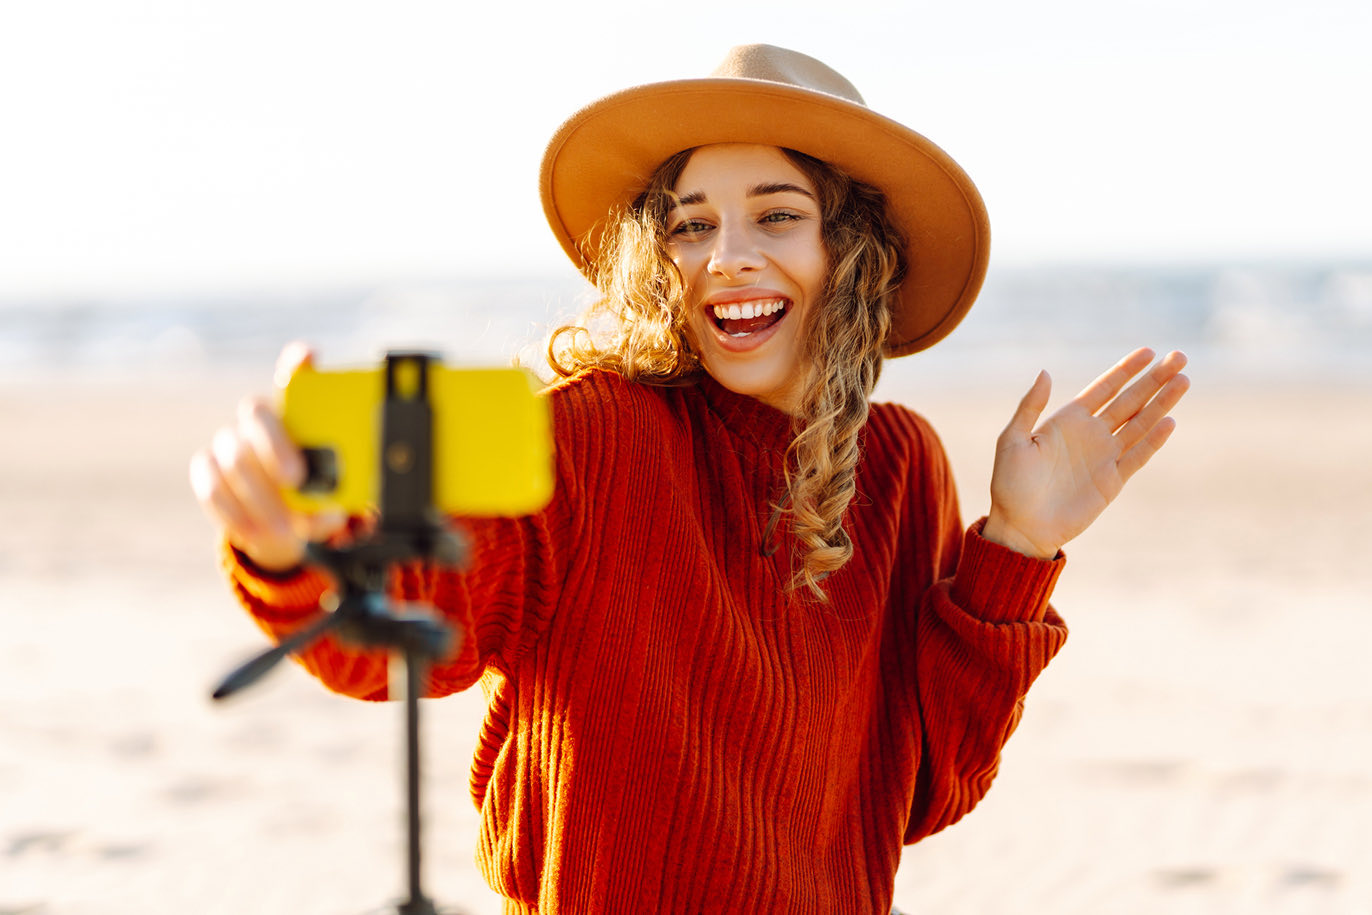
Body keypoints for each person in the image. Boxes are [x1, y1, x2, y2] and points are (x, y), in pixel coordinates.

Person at [189, 44, 1189, 914]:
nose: (730, 258)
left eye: (778, 216)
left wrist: (1016, 547)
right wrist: (293, 548)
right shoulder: (590, 434)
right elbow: (417, 630)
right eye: (690, 224)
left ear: (850, 254)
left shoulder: (899, 464)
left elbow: (921, 791)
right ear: (651, 255)